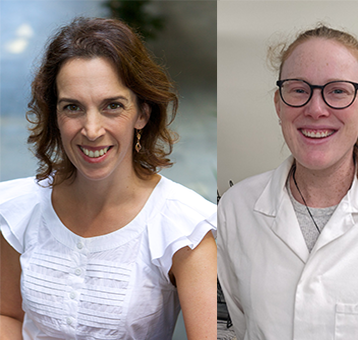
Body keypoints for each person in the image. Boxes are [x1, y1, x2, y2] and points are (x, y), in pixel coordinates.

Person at [0, 17, 218, 339]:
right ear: (55, 116)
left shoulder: (182, 228)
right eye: (72, 107)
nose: (91, 130)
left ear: (142, 114)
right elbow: (7, 314)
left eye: (112, 106)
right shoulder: (18, 210)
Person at [215, 25, 358, 339]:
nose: (316, 109)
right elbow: (244, 322)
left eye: (338, 91)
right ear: (279, 104)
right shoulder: (236, 209)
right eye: (299, 90)